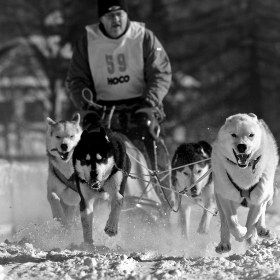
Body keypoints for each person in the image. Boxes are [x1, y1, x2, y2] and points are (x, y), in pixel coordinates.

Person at [66, 0, 172, 170]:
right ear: (101, 19)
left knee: (155, 155)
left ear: (126, 15)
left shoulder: (144, 37)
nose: (115, 19)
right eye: (109, 15)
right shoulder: (87, 42)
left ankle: (163, 193)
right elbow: (77, 80)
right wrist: (87, 106)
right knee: (86, 153)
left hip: (141, 106)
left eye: (119, 14)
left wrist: (149, 103)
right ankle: (82, 192)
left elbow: (160, 73)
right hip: (102, 110)